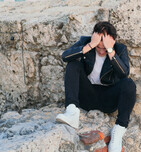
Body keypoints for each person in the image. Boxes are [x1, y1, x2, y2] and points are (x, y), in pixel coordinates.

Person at [56, 21, 136, 152]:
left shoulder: (120, 49)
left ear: (113, 41)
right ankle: (71, 112)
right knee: (73, 64)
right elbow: (65, 56)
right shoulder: (87, 42)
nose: (101, 51)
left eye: (104, 48)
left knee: (129, 84)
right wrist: (90, 45)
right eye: (98, 47)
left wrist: (111, 51)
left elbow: (124, 73)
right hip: (87, 96)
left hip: (108, 99)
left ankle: (118, 131)